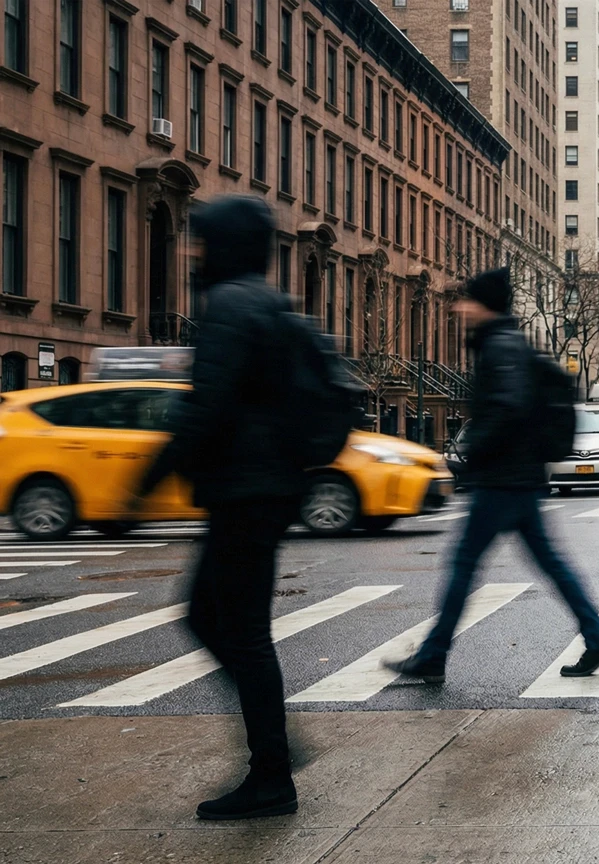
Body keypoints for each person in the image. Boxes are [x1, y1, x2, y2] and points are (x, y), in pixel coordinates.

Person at [133, 195, 308, 820]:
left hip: (244, 493)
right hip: (263, 490)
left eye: (200, 240)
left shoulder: (229, 306)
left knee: (238, 632)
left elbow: (204, 407)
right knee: (215, 620)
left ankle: (273, 772)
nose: (189, 251)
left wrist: (141, 486)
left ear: (225, 245)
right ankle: (275, 751)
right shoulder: (266, 302)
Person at [387, 268, 599, 682]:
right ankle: (596, 637)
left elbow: (508, 408)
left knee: (464, 565)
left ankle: (433, 655)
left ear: (484, 305)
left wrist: (472, 454)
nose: (459, 308)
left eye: (466, 300)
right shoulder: (505, 343)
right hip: (519, 477)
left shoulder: (500, 346)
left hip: (503, 480)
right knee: (549, 564)